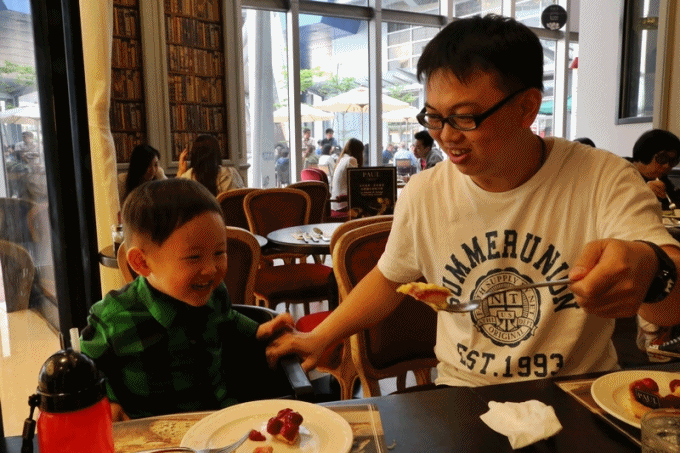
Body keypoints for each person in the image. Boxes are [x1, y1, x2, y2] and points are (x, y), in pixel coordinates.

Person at [266, 14, 680, 388]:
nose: (446, 136)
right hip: (462, 394)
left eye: (465, 117)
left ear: (526, 108)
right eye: (434, 117)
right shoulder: (425, 192)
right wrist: (321, 335)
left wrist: (651, 271)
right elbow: (390, 279)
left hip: (575, 391)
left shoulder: (604, 178)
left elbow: (672, 307)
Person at [80, 179, 294, 420]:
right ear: (142, 262)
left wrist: (259, 331)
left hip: (220, 418)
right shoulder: (113, 316)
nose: (211, 269)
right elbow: (87, 364)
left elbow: (229, 320)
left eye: (219, 252)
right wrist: (106, 400)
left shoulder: (215, 293)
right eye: (194, 257)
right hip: (154, 430)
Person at [627, 129, 680, 211]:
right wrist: (642, 193)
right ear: (645, 153)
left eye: (673, 161)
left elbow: (672, 206)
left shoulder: (663, 180)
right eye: (662, 158)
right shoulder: (620, 173)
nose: (667, 166)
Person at [178, 134, 245, 196]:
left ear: (194, 154)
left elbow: (177, 198)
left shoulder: (187, 178)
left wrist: (180, 172)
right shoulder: (231, 173)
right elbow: (243, 196)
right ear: (217, 153)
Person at [331, 138, 364, 215]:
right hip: (344, 203)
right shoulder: (351, 160)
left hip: (335, 203)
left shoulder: (342, 159)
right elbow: (356, 184)